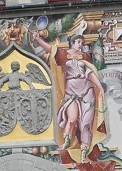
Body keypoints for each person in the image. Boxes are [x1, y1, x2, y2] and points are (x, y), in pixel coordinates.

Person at [33, 31, 106, 163]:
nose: (81, 45)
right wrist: (38, 40)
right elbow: (50, 49)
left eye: (82, 43)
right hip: (71, 91)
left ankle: (84, 151)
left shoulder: (85, 56)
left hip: (87, 90)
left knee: (86, 123)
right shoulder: (63, 54)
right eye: (78, 42)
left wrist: (99, 87)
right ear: (72, 43)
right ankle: (67, 142)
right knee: (72, 118)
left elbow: (89, 72)